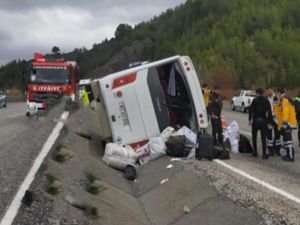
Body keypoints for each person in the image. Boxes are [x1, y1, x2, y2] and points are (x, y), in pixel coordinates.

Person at [248, 88, 272, 159]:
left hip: (256, 120)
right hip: (263, 121)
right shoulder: (266, 100)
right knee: (263, 138)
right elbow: (269, 111)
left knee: (254, 136)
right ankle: (264, 154)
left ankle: (255, 152)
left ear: (257, 93)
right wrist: (269, 121)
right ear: (262, 93)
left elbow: (251, 110)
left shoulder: (255, 100)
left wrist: (250, 119)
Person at [276, 88, 297, 162]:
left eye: (277, 93)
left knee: (288, 141)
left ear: (279, 93)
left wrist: (284, 123)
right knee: (286, 140)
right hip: (288, 122)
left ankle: (291, 156)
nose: (276, 95)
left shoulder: (284, 100)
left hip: (288, 123)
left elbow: (285, 111)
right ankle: (288, 154)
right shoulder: (283, 99)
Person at [266, 87, 281, 156]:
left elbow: (280, 108)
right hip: (269, 118)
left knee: (277, 134)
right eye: (267, 91)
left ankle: (277, 150)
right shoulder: (266, 98)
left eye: (270, 91)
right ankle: (270, 150)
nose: (268, 92)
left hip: (276, 119)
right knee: (269, 134)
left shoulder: (276, 98)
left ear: (272, 90)